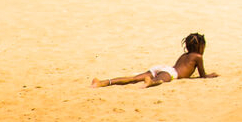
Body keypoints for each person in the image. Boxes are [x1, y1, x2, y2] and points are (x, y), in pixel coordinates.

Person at [91, 32, 219, 88]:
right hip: (171, 73)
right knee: (159, 80)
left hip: (164, 67)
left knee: (134, 78)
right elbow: (202, 75)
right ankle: (150, 83)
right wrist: (210, 76)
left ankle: (102, 82)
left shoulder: (184, 55)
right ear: (201, 47)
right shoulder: (198, 57)